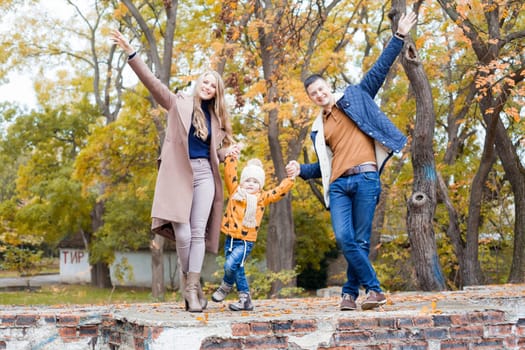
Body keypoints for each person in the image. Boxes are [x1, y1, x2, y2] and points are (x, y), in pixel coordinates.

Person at [286, 12, 417, 311]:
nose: (319, 95)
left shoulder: (356, 97)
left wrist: (397, 37)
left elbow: (379, 70)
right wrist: (301, 171)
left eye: (321, 89)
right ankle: (374, 290)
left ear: (328, 86)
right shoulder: (318, 130)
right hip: (339, 184)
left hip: (366, 178)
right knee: (346, 239)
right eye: (313, 94)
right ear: (310, 98)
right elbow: (325, 167)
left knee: (359, 241)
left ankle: (348, 294)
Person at [110, 29, 238, 313]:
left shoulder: (217, 118)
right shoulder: (176, 102)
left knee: (196, 233)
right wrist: (132, 53)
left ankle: (192, 289)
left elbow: (211, 152)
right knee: (181, 233)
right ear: (198, 84)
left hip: (205, 174)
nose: (208, 87)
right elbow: (152, 83)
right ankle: (188, 280)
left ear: (217, 92)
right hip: (179, 174)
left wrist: (225, 152)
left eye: (213, 85)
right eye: (205, 82)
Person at [212, 154, 295, 311]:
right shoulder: (235, 192)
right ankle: (245, 300)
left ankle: (225, 286)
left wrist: (290, 180)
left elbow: (278, 192)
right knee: (237, 268)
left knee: (231, 265)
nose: (251, 184)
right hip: (230, 238)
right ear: (242, 182)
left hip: (245, 241)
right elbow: (230, 173)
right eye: (248, 180)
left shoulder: (261, 198)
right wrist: (231, 157)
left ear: (260, 185)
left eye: (255, 182)